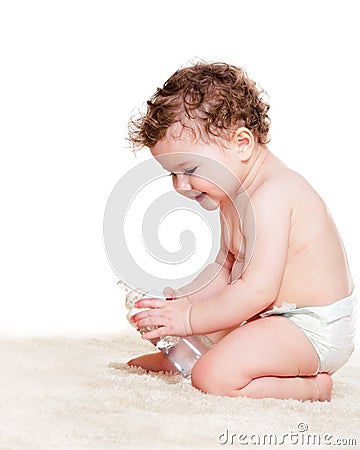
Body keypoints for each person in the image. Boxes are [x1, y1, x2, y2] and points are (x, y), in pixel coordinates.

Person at [126, 61, 356, 401]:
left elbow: (257, 291)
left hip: (311, 328)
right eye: (172, 174)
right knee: (207, 331)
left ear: (242, 144)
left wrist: (188, 318)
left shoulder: (272, 196)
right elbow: (227, 269)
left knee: (212, 375)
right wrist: (183, 300)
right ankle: (193, 352)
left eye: (188, 169)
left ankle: (311, 387)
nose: (181, 185)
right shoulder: (231, 194)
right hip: (272, 318)